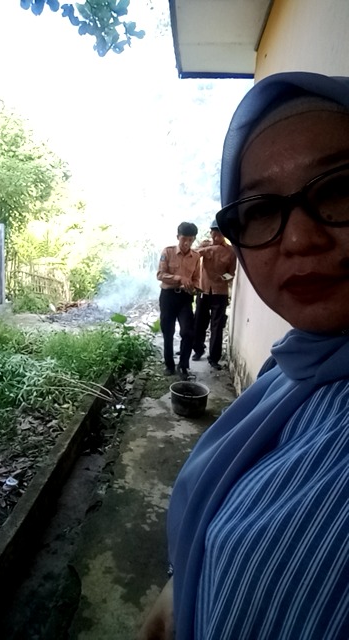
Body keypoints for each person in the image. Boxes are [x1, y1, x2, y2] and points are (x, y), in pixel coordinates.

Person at [139, 71, 349, 640]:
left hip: (206, 298)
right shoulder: (295, 367)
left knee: (198, 336)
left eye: (339, 188)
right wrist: (183, 585)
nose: (298, 239)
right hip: (176, 296)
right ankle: (174, 365)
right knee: (173, 337)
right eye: (260, 210)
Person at [157, 222, 201, 380]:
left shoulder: (196, 256)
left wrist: (194, 287)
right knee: (168, 331)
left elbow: (196, 278)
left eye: (190, 240)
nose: (187, 243)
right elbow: (160, 275)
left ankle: (183, 365)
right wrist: (179, 278)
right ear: (178, 237)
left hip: (185, 298)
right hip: (168, 296)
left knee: (188, 332)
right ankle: (169, 365)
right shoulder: (168, 252)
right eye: (184, 239)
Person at [192, 220, 236, 369]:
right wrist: (205, 248)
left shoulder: (230, 251)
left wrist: (223, 278)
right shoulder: (205, 246)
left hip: (220, 292)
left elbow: (232, 273)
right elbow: (193, 255)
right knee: (199, 322)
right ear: (210, 233)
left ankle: (214, 358)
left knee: (217, 326)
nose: (215, 236)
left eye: (219, 233)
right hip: (203, 290)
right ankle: (198, 350)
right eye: (213, 233)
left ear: (224, 235)